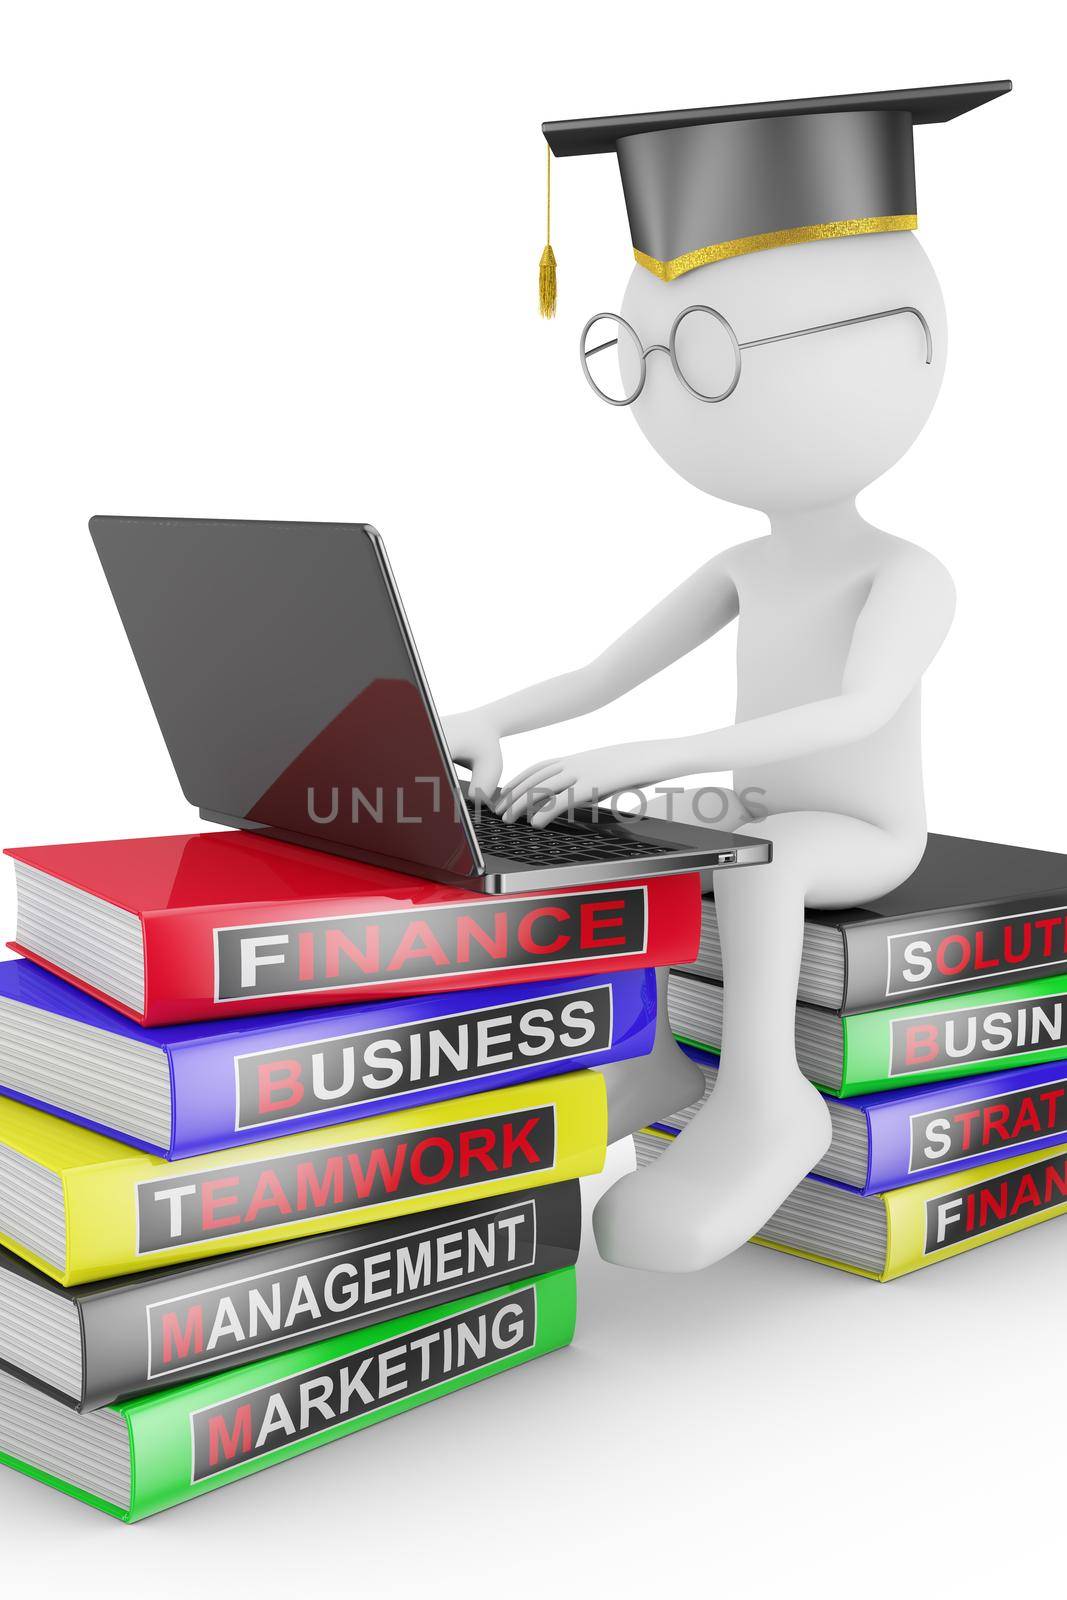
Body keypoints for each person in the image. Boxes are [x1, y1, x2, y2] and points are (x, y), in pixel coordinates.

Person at [443, 84, 1008, 1271]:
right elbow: (605, 670)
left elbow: (855, 710)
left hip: (857, 834)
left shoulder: (908, 574)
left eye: (700, 352)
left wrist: (655, 755)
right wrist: (484, 719)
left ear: (907, 334)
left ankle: (766, 1093)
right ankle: (642, 1060)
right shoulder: (742, 564)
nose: (668, 393)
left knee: (765, 853)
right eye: (642, 357)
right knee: (605, 834)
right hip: (749, 815)